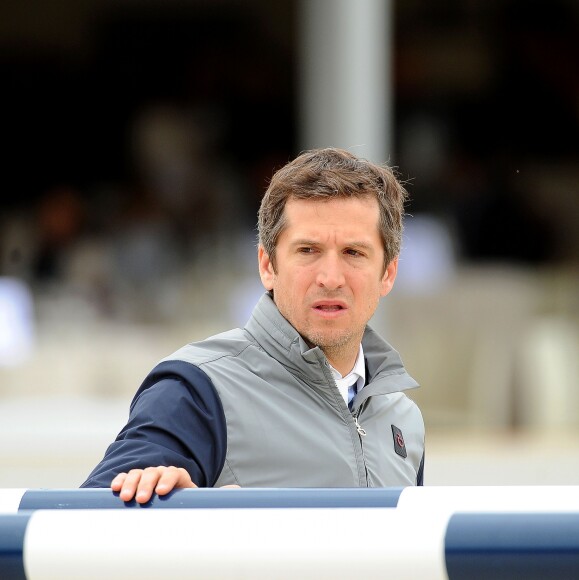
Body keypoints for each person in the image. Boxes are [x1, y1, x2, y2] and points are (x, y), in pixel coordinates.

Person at [82, 147, 425, 503]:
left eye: (354, 253)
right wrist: (178, 523)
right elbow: (74, 533)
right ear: (267, 266)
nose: (330, 277)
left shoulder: (403, 419)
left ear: (388, 273)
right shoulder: (197, 390)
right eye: (307, 250)